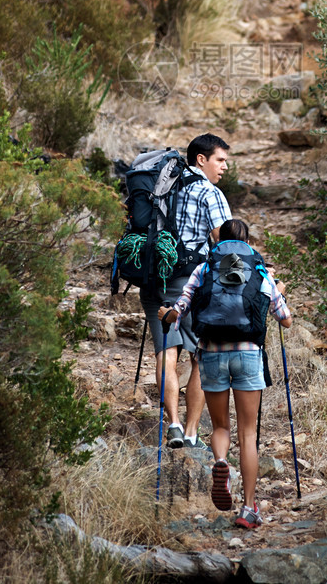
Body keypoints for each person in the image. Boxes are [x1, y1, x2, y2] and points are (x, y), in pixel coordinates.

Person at [158, 218, 292, 529]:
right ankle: (248, 509)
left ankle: (220, 462)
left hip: (211, 353)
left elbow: (180, 308)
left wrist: (167, 314)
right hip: (247, 354)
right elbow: (284, 320)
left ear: (220, 239)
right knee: (248, 434)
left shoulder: (205, 269)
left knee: (220, 426)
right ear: (248, 241)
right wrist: (278, 292)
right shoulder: (258, 270)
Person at [140, 133, 231, 450]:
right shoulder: (209, 193)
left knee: (166, 354)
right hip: (192, 286)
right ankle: (192, 433)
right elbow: (226, 244)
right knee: (200, 358)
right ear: (201, 159)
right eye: (220, 159)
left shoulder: (158, 186)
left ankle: (174, 426)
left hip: (155, 280)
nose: (225, 167)